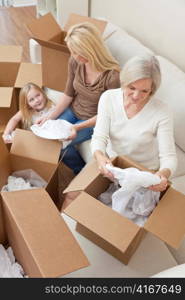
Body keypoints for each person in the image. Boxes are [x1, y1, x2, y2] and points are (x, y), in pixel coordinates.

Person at [36, 22, 120, 175]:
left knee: (59, 143)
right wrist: (49, 117)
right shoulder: (75, 61)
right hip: (73, 109)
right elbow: (68, 94)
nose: (74, 56)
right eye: (72, 52)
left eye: (78, 52)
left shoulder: (112, 77)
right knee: (46, 132)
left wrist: (76, 128)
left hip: (93, 120)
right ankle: (76, 168)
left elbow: (108, 115)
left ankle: (79, 172)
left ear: (91, 49)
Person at [91, 54, 177, 192]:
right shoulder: (108, 98)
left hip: (144, 173)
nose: (137, 96)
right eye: (131, 88)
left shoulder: (162, 112)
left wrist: (163, 174)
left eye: (145, 91)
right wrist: (100, 156)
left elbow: (169, 157)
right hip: (113, 166)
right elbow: (99, 137)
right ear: (123, 81)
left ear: (152, 90)